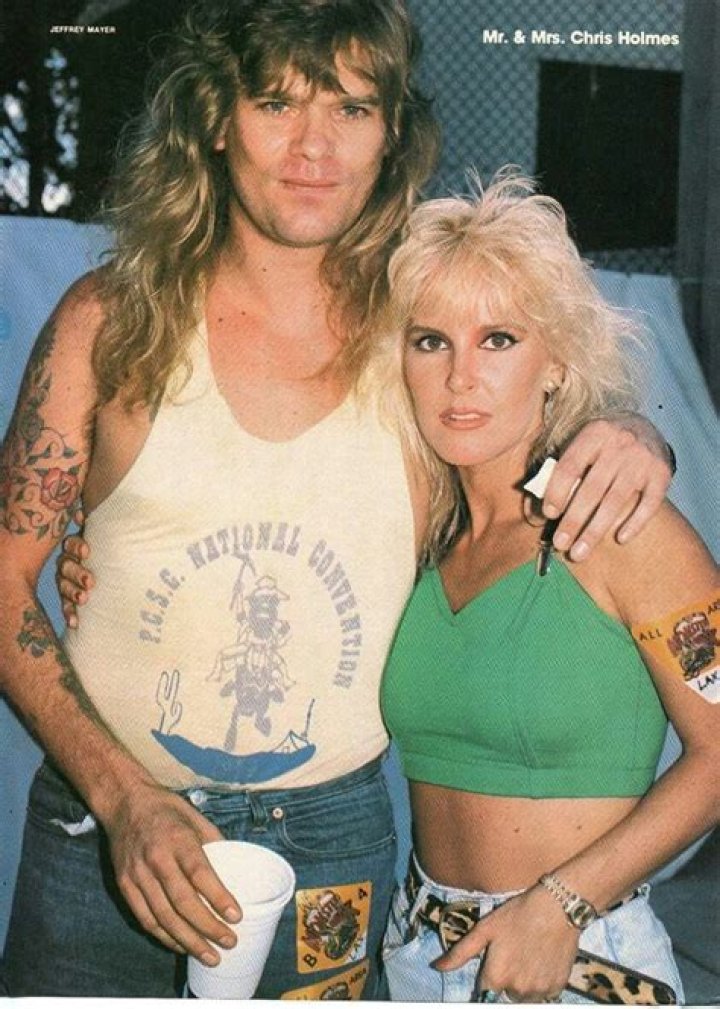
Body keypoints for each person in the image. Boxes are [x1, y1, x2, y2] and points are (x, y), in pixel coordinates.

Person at [0, 0, 675, 999]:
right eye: (277, 103)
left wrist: (634, 432)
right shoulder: (110, 321)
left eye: (352, 108)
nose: (314, 147)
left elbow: (529, 404)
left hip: (326, 848)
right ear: (216, 120)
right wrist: (122, 796)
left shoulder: (415, 339)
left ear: (390, 134)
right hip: (104, 828)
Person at [378, 170, 719, 1004]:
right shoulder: (418, 533)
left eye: (498, 339)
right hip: (419, 951)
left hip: (575, 956)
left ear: (557, 362)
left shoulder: (622, 526)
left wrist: (562, 905)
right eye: (431, 341)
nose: (461, 376)